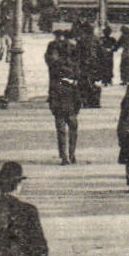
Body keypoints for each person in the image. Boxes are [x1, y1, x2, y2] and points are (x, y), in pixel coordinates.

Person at [47, 36, 81, 165]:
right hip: (70, 109)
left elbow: (52, 95)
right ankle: (70, 155)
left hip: (61, 108)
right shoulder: (73, 76)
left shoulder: (56, 78)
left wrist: (53, 108)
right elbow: (78, 96)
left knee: (62, 132)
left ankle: (65, 156)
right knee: (72, 132)